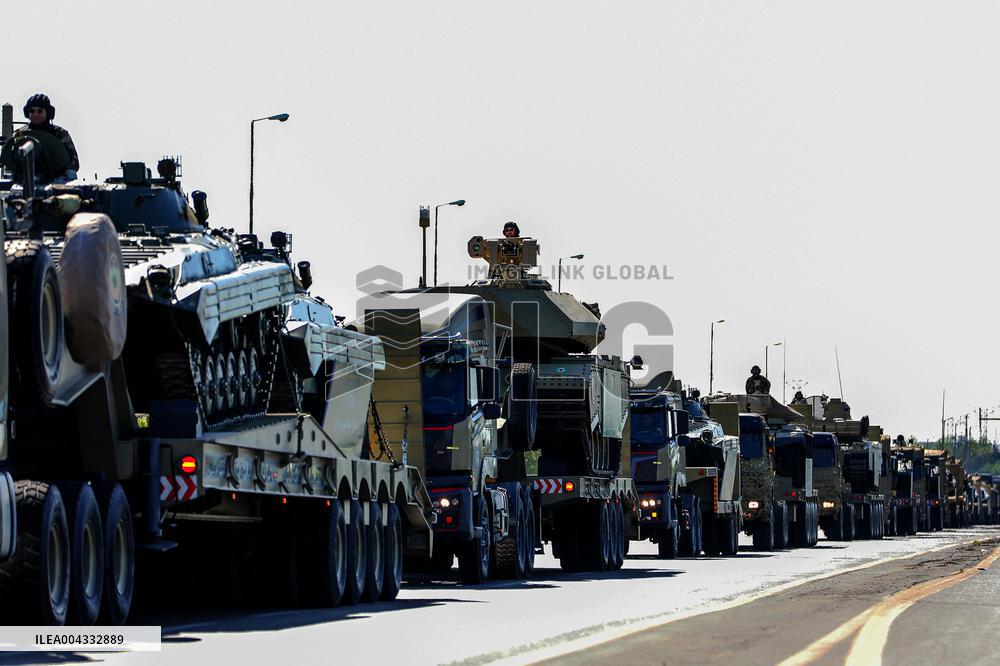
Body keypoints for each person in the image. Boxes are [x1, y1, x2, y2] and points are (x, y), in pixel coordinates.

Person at [0, 93, 79, 182]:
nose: (35, 114)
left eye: (40, 111)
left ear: (48, 113)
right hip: (24, 180)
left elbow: (74, 163)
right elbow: (8, 161)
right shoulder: (20, 135)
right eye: (32, 111)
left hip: (55, 180)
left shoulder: (59, 134)